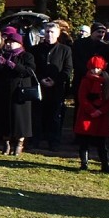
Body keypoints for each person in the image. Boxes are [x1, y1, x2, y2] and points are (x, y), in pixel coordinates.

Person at [29, 21, 73, 151]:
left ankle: (53, 142)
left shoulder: (65, 50)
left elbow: (67, 69)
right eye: (47, 31)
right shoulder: (35, 49)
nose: (49, 34)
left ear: (58, 34)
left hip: (56, 88)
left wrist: (56, 80)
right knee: (37, 116)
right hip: (39, 87)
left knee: (54, 117)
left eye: (52, 32)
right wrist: (41, 79)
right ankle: (35, 141)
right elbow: (33, 68)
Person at [0, 30, 36, 156]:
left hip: (20, 92)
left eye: (12, 42)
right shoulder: (3, 55)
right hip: (5, 91)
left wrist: (11, 64)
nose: (9, 44)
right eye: (7, 42)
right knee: (5, 118)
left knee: (20, 119)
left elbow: (29, 71)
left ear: (19, 44)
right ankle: (6, 144)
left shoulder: (26, 56)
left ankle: (19, 144)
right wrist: (0, 64)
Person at [74, 55, 109, 173]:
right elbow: (82, 98)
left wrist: (101, 110)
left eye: (98, 68)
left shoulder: (107, 81)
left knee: (101, 142)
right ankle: (84, 163)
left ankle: (105, 164)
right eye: (93, 68)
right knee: (84, 141)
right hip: (87, 114)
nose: (95, 70)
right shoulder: (86, 80)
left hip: (101, 115)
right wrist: (91, 110)